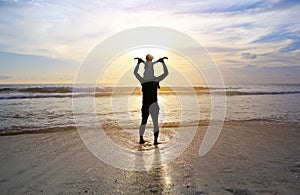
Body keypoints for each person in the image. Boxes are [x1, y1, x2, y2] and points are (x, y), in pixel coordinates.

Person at [134, 55, 169, 145]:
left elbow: (135, 73)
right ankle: (155, 141)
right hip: (154, 105)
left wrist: (138, 64)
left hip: (145, 105)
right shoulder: (155, 80)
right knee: (155, 123)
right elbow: (166, 73)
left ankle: (141, 139)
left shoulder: (143, 81)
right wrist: (163, 63)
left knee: (143, 122)